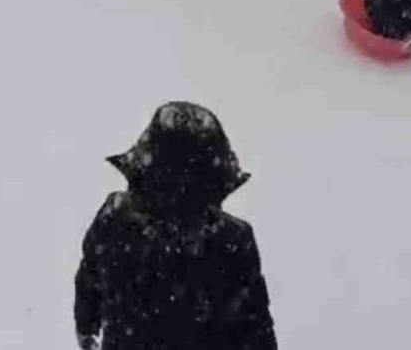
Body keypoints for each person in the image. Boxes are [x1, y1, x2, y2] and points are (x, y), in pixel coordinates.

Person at [74, 101, 278, 350]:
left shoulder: (116, 219)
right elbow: (256, 327)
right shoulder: (233, 241)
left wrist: (86, 327)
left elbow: (89, 279)